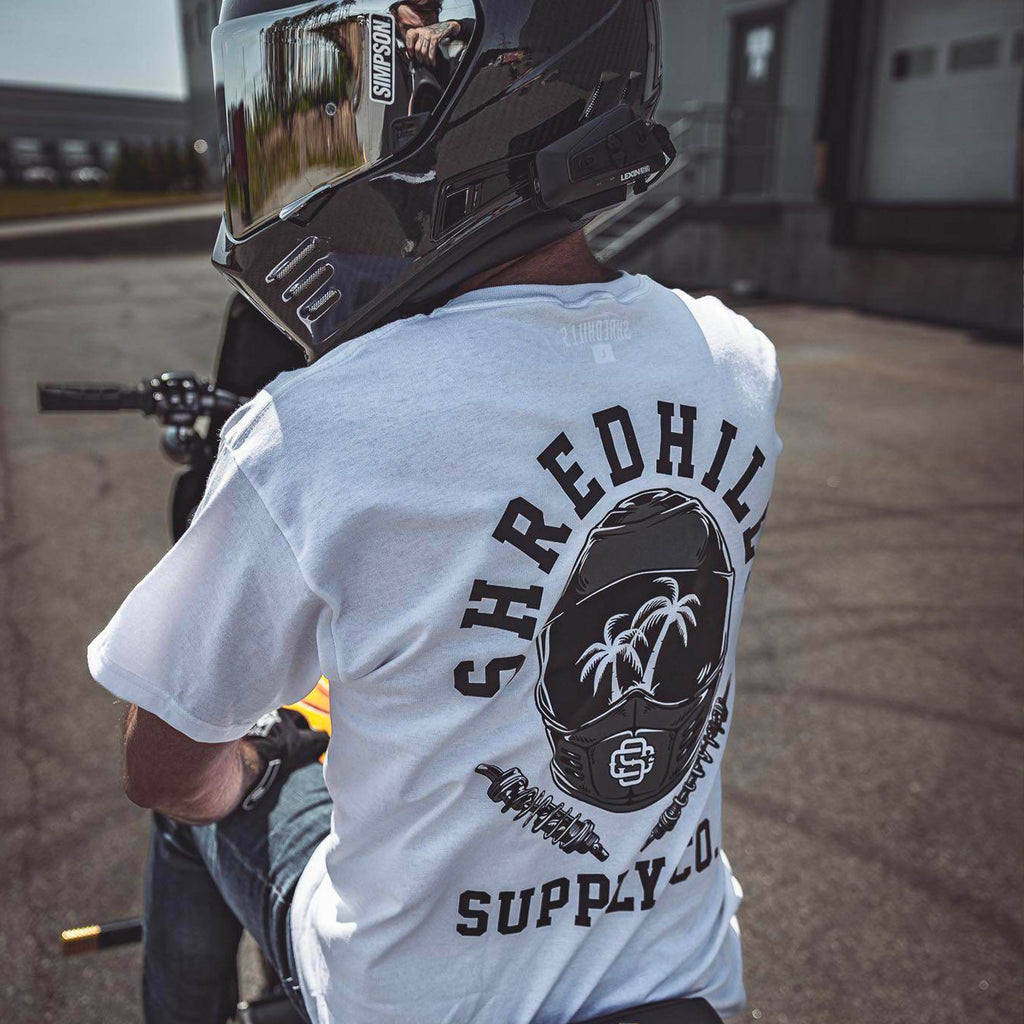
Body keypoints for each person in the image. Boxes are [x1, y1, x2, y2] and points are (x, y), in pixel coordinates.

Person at [88, 2, 782, 1023]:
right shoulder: (737, 364)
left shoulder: (321, 426)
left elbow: (162, 762)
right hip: (678, 972)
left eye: (345, 97)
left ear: (475, 85)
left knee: (188, 810)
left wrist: (242, 771)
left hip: (414, 1000)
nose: (312, 150)